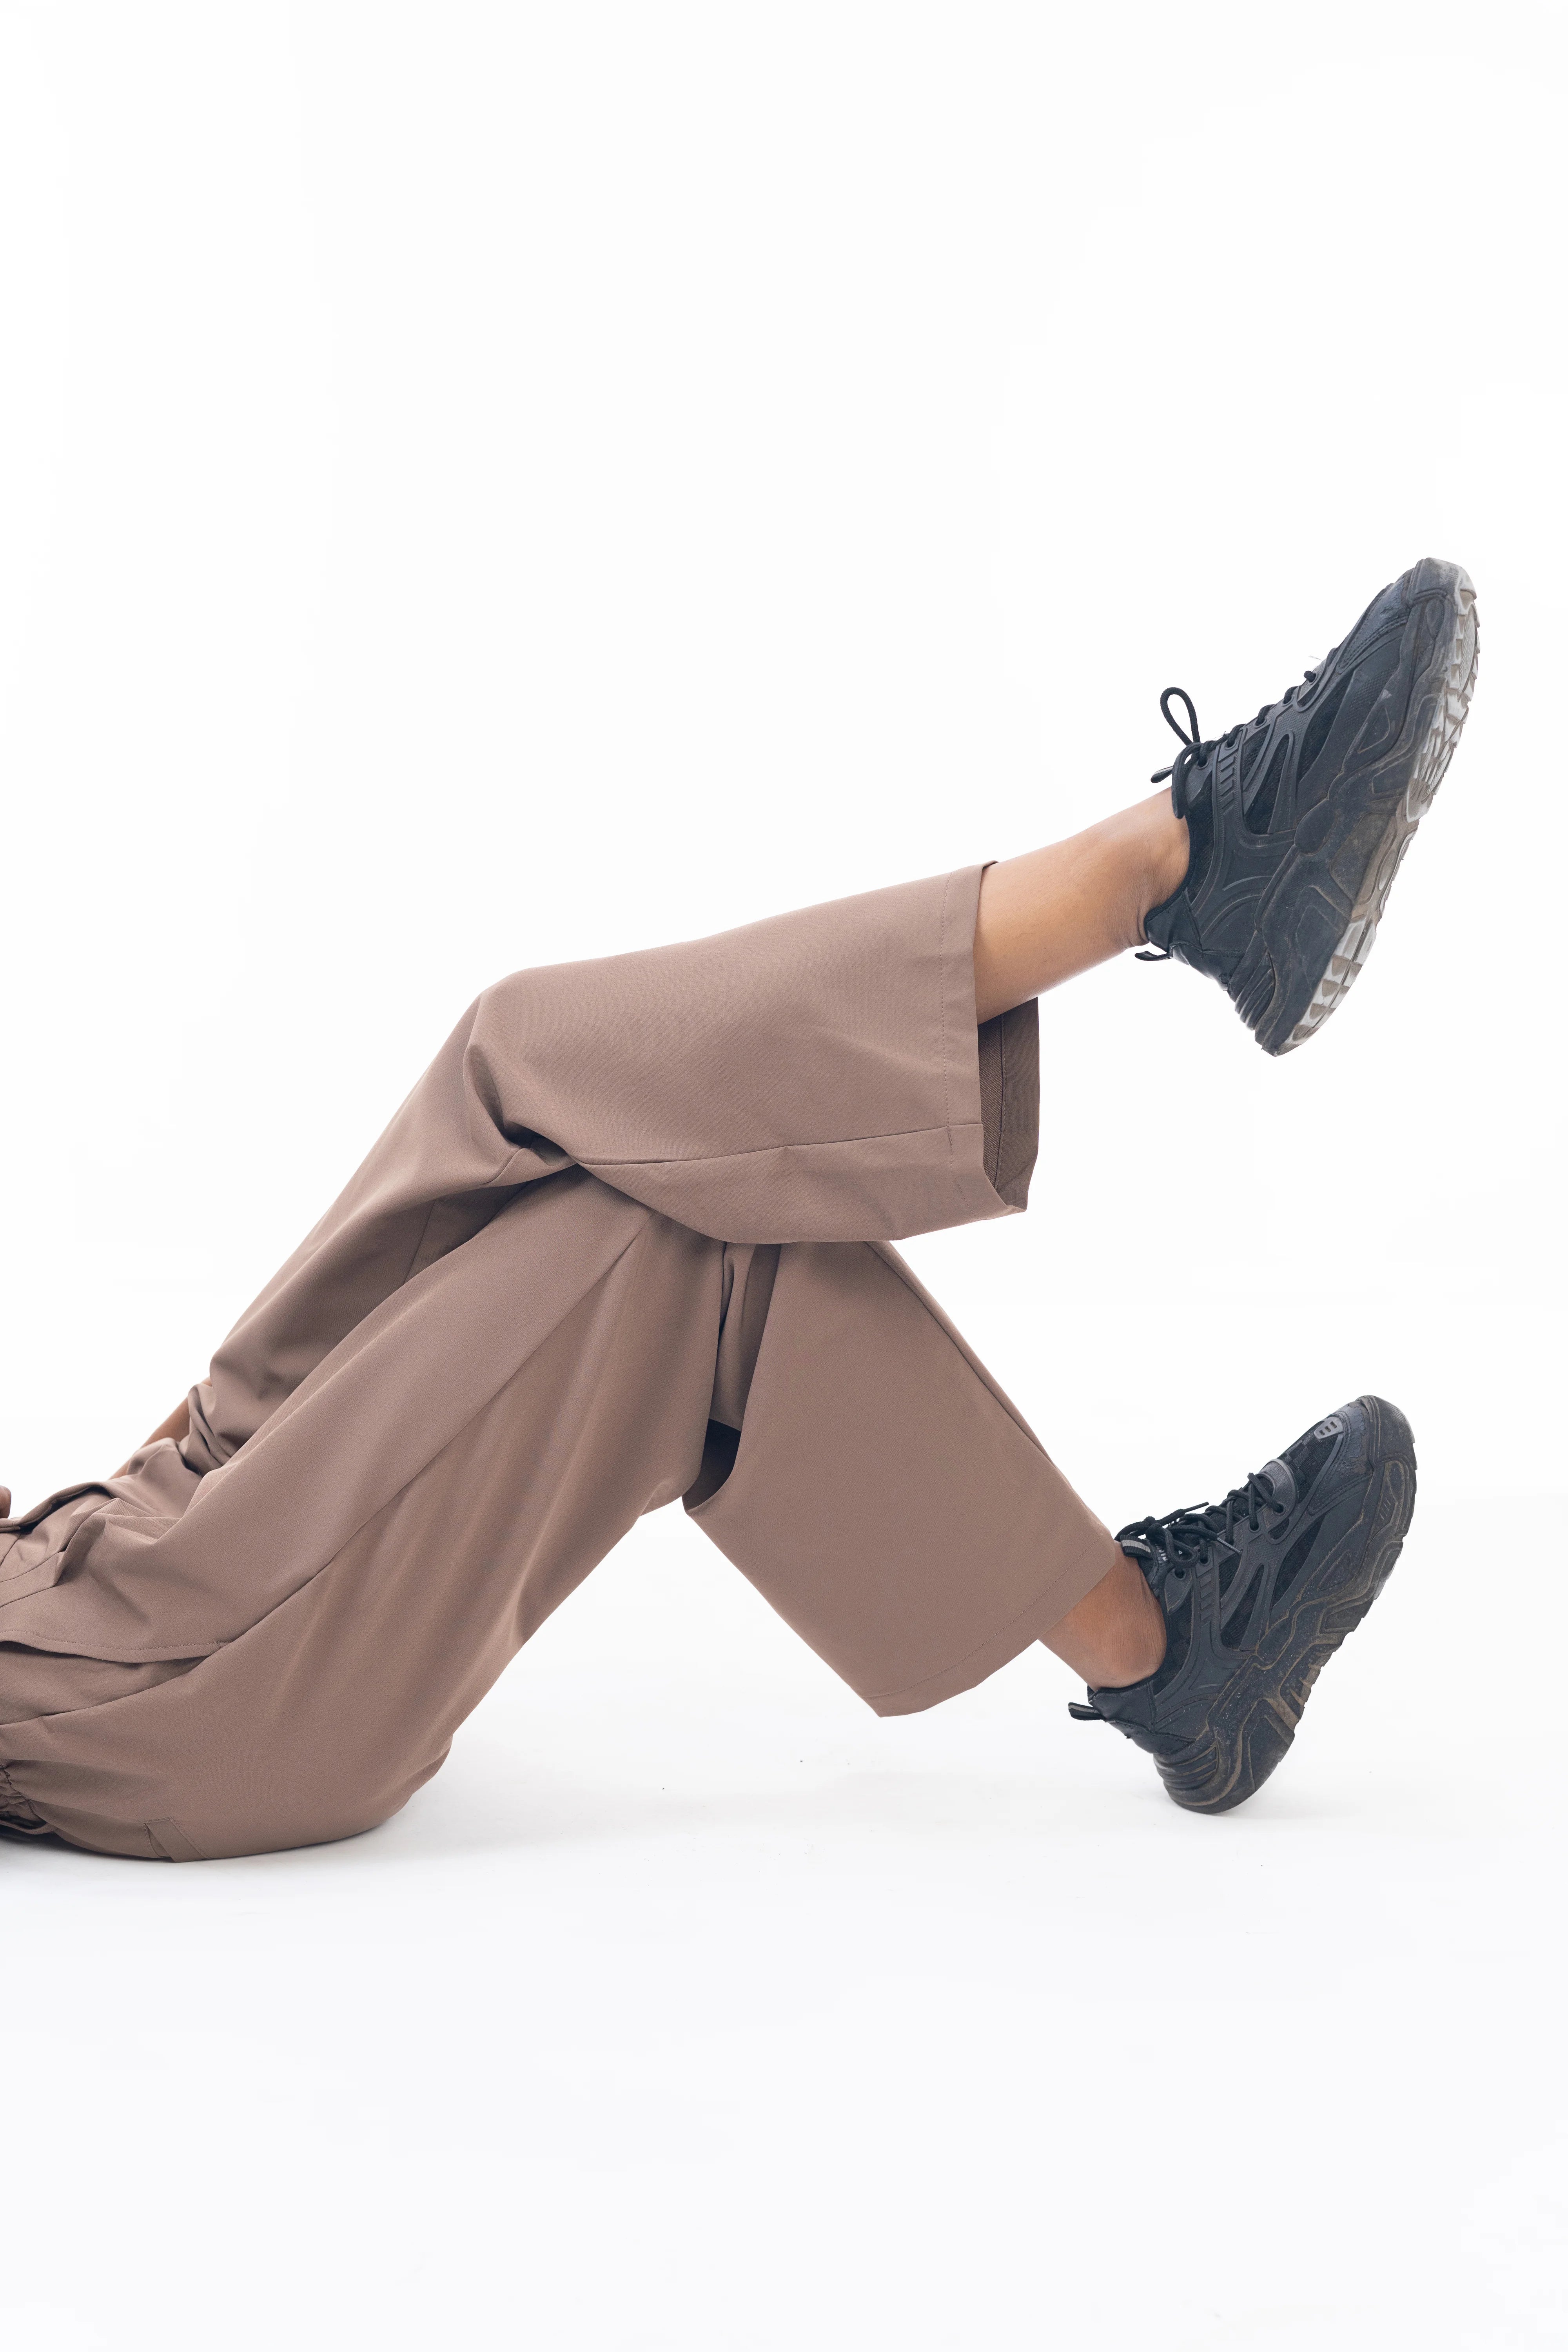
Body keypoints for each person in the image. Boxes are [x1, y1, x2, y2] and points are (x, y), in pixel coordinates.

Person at [0, 558, 1478, 1862]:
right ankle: (1179, 865)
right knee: (672, 1241)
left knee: (511, 1060)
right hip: (146, 1680)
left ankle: (1196, 879)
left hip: (136, 1525)